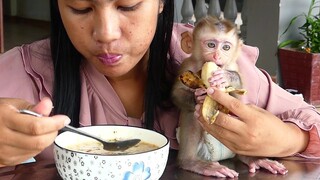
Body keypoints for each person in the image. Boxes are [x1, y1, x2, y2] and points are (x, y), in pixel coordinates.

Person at [0, 0, 319, 170]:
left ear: (162, 3)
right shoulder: (25, 73)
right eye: (81, 8)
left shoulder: (206, 53)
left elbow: (312, 126)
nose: (106, 33)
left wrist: (290, 139)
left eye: (127, 6)